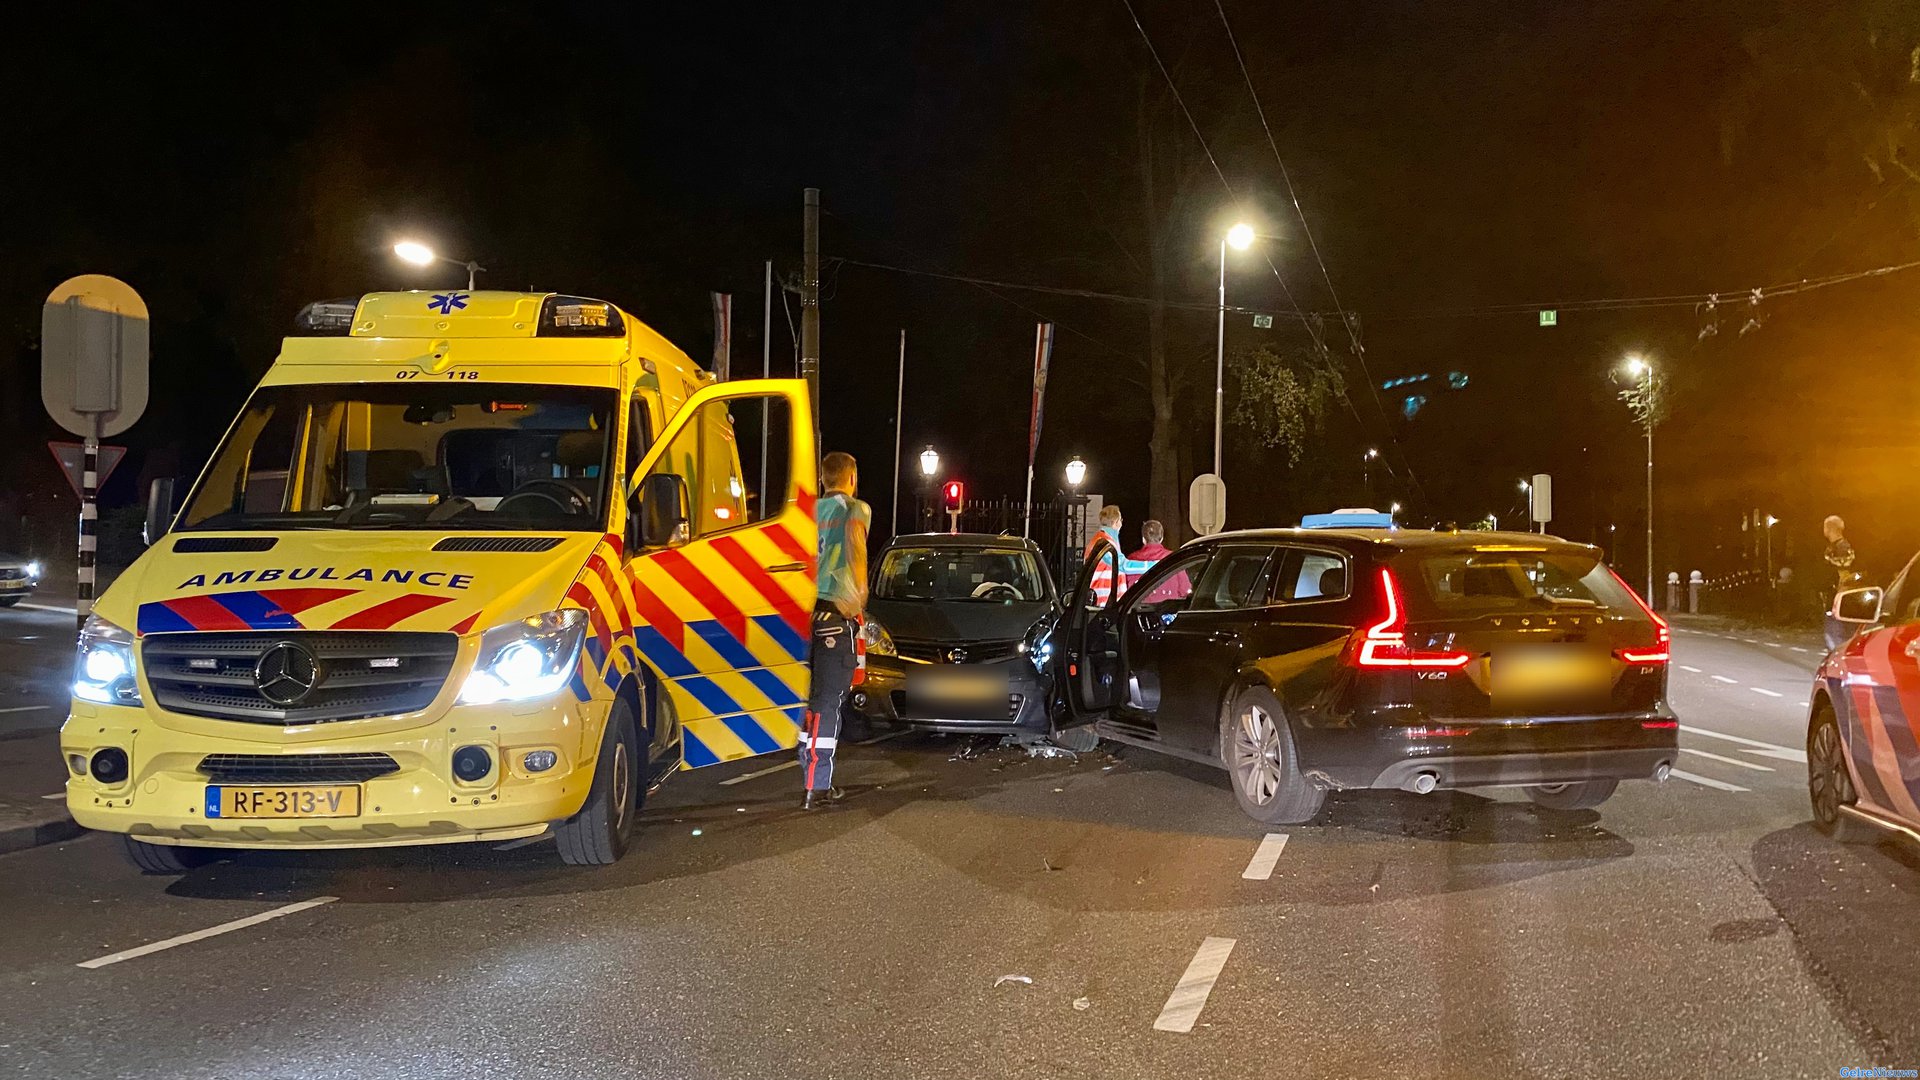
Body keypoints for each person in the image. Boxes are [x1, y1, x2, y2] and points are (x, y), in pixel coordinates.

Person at [801, 451, 870, 810]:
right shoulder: (855, 510)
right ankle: (818, 786)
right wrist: (860, 600)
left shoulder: (804, 513)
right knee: (829, 703)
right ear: (851, 478)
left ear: (823, 479)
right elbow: (856, 553)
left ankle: (808, 773)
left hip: (802, 618)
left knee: (809, 703)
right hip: (834, 618)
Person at [1130, 518, 1193, 605]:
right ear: (1162, 538)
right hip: (1168, 614)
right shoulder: (1173, 559)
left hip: (1139, 614)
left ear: (1143, 539)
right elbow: (1185, 589)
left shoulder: (1131, 560)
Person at [1823, 514, 1860, 652]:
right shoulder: (1834, 546)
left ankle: (1839, 659)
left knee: (1836, 633)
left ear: (1830, 528)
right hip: (1835, 595)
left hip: (1840, 597)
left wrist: (1840, 594)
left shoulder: (1842, 547)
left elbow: (1844, 572)